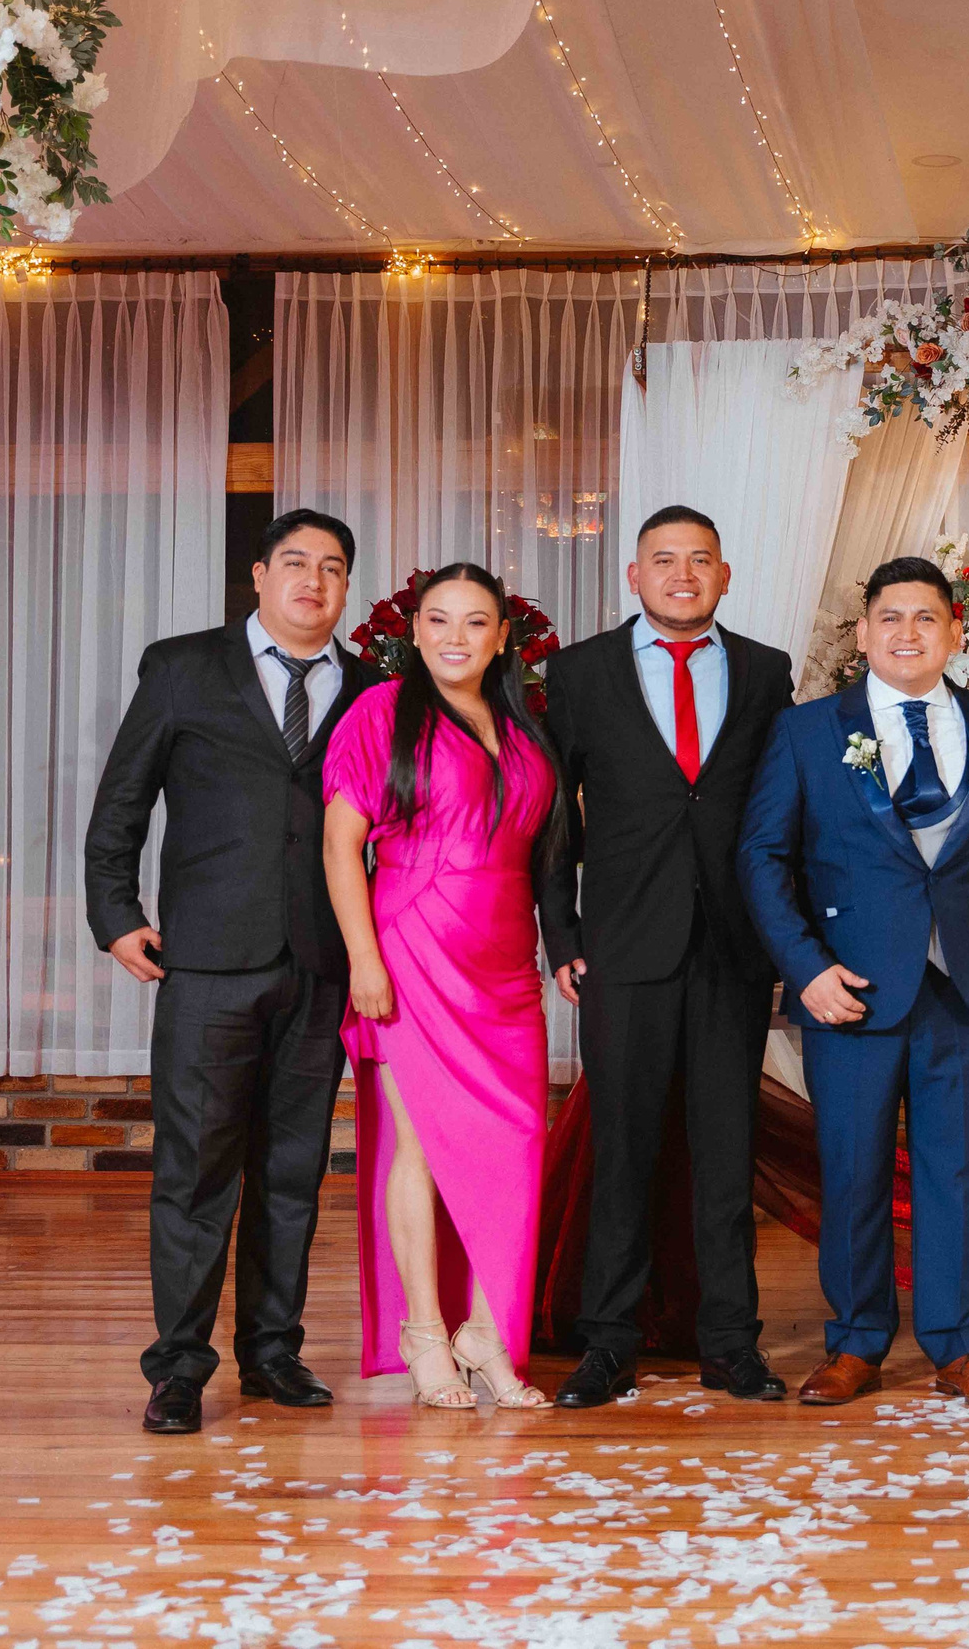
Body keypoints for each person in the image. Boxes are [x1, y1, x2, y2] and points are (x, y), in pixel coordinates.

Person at [84, 508, 379, 1436]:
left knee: (293, 1170)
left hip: (321, 961)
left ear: (345, 587)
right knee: (196, 1169)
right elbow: (121, 801)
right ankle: (178, 1367)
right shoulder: (182, 667)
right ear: (258, 575)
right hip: (207, 959)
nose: (313, 582)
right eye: (295, 563)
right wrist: (116, 916)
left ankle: (272, 1352)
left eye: (333, 568)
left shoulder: (372, 688)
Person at [736, 556, 969, 1408]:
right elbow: (760, 857)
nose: (908, 633)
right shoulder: (808, 730)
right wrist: (806, 968)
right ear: (862, 633)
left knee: (958, 1170)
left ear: (955, 632)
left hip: (961, 984)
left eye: (926, 618)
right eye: (890, 617)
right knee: (854, 1169)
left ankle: (958, 1344)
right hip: (851, 986)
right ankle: (858, 1339)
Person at [541, 507, 797, 1410]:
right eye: (664, 560)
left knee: (726, 1154)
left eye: (699, 561)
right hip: (622, 945)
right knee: (624, 1150)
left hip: (731, 947)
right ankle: (608, 1341)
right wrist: (561, 934)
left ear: (724, 575)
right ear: (633, 575)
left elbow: (779, 814)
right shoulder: (577, 673)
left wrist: (787, 939)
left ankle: (731, 1341)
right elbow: (552, 818)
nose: (682, 574)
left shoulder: (767, 672)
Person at [320, 562, 562, 1410]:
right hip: (413, 943)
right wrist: (363, 960)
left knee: (519, 1140)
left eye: (474, 622)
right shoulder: (380, 713)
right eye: (438, 620)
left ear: (502, 636)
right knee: (416, 1144)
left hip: (504, 960)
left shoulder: (524, 727)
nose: (454, 636)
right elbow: (340, 846)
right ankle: (425, 1328)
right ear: (413, 631)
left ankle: (488, 1331)